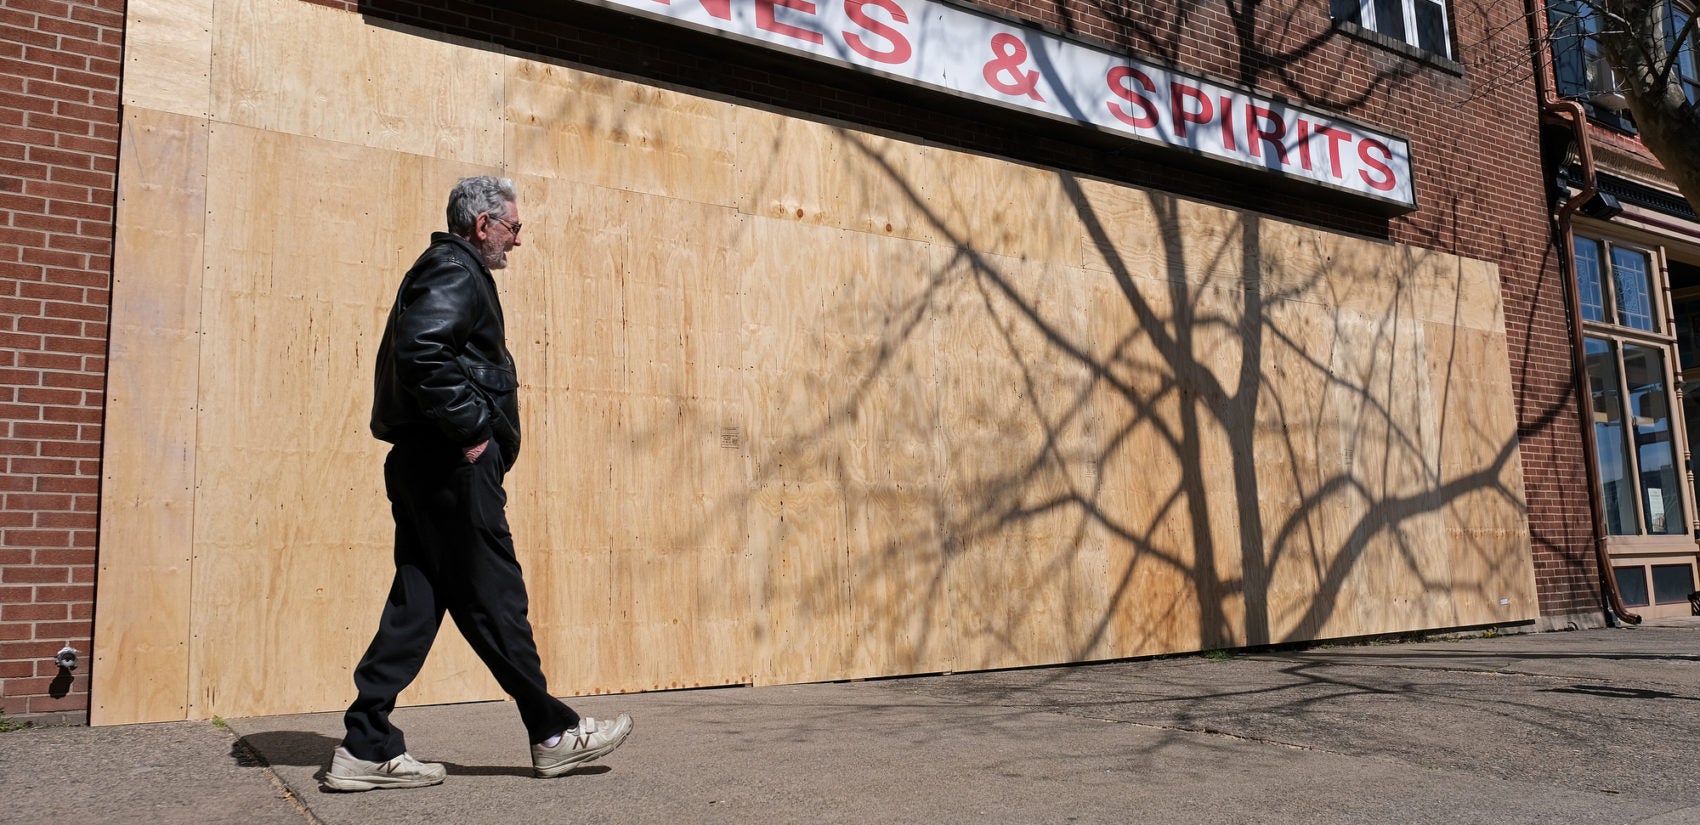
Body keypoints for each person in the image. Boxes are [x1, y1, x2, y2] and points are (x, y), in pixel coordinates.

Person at [325, 176, 632, 792]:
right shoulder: (455, 269)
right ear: (482, 223)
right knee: (495, 596)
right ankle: (552, 733)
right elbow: (423, 351)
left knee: (417, 601)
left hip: (426, 462)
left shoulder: (450, 268)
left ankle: (365, 744)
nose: (518, 240)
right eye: (513, 227)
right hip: (450, 464)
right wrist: (472, 431)